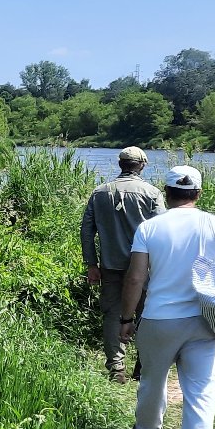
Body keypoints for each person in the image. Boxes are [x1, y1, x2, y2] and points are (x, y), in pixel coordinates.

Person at [119, 165, 215, 429]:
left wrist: (127, 318)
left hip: (160, 319)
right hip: (204, 321)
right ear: (198, 194)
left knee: (152, 380)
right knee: (201, 390)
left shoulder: (149, 228)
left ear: (166, 192)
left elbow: (135, 277)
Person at [81, 146, 166, 382]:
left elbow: (87, 231)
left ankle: (116, 367)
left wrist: (91, 263)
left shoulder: (100, 193)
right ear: (141, 166)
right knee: (146, 314)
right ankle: (143, 364)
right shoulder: (152, 193)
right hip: (145, 267)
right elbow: (163, 231)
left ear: (121, 165)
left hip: (110, 266)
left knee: (112, 313)